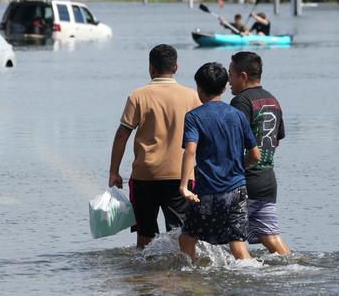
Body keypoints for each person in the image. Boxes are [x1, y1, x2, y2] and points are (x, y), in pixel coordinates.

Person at [109, 44, 202, 249]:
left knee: (145, 234)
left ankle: (145, 277)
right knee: (181, 234)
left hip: (145, 175)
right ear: (176, 67)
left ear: (151, 68)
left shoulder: (138, 96)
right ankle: (180, 275)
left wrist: (114, 171)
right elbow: (202, 138)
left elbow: (122, 135)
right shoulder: (193, 97)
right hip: (181, 176)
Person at [178, 62, 261, 262]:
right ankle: (254, 277)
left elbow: (190, 150)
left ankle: (190, 278)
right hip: (238, 190)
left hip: (208, 191)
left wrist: (183, 186)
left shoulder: (194, 117)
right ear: (224, 87)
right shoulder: (238, 116)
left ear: (198, 87)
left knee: (187, 238)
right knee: (238, 245)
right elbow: (255, 155)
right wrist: (238, 170)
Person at [229, 51, 290, 255]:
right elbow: (276, 141)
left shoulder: (241, 102)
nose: (228, 80)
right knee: (270, 236)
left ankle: (245, 276)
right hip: (267, 180)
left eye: (231, 74)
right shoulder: (273, 100)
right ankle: (295, 266)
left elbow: (233, 142)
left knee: (233, 235)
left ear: (243, 76)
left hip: (245, 180)